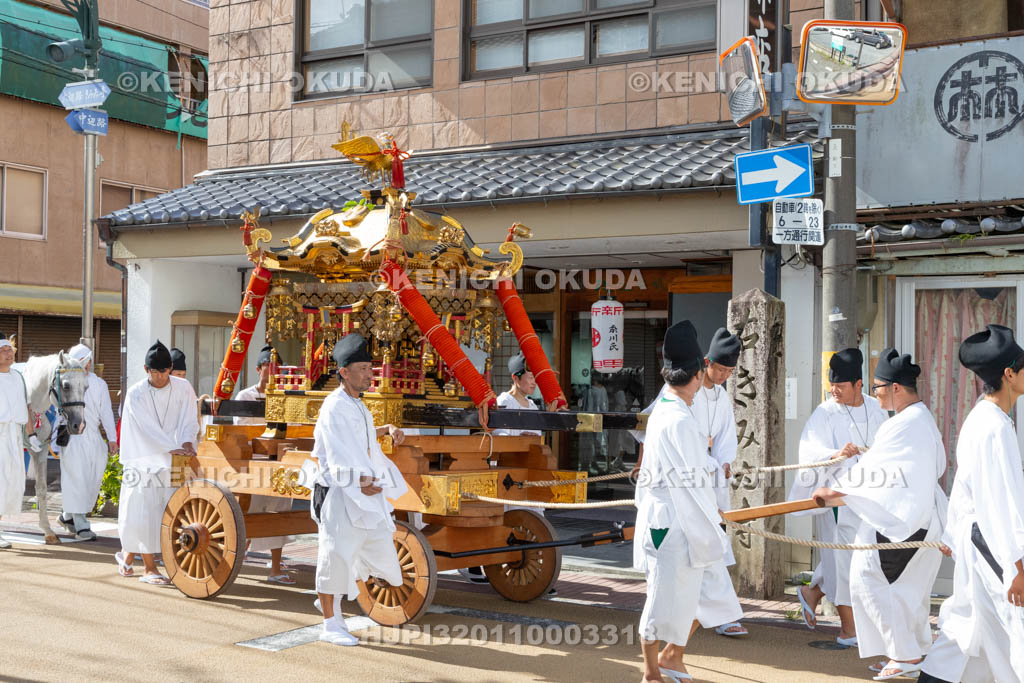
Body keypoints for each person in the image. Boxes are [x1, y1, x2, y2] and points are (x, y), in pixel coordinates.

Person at [812, 348, 948, 680]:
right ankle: (913, 651)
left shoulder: (902, 424)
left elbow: (873, 471)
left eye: (877, 387)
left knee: (867, 580)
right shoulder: (922, 418)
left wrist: (836, 492)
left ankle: (903, 654)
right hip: (922, 519)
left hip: (902, 523)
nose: (874, 394)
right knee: (908, 590)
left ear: (896, 388)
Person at [919, 325, 1024, 683]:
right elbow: (1004, 501)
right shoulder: (995, 426)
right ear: (1009, 375)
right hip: (992, 546)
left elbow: (965, 486)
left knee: (969, 630)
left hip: (979, 542)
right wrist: (1019, 565)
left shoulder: (981, 417)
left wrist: (952, 531)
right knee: (1006, 632)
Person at [636, 320, 733, 683]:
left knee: (685, 595)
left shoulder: (668, 409)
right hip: (672, 520)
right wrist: (715, 515)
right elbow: (694, 481)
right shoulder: (678, 418)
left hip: (673, 517)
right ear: (695, 375)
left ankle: (670, 659)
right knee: (661, 598)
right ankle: (651, 671)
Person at [788, 348, 889, 647]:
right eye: (832, 385)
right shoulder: (826, 411)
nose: (834, 390)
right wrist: (834, 454)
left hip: (869, 499)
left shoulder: (876, 409)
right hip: (838, 500)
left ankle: (812, 592)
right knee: (842, 560)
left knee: (860, 558)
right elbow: (808, 450)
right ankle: (848, 628)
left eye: (841, 386)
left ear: (859, 384)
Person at [313, 333, 407, 646]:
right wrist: (358, 480)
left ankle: (331, 606)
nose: (370, 374)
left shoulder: (358, 406)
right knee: (335, 555)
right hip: (340, 491)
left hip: (361, 488)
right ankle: (330, 623)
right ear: (344, 372)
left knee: (371, 547)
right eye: (364, 368)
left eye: (370, 368)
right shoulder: (334, 405)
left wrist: (386, 429)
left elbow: (362, 436)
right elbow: (339, 451)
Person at [115, 341, 199, 585]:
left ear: (170, 368)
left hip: (174, 458)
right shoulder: (136, 393)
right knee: (143, 513)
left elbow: (189, 419)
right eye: (155, 372)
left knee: (170, 509)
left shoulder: (183, 388)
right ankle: (149, 568)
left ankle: (129, 556)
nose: (161, 377)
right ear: (145, 369)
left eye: (164, 371)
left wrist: (186, 442)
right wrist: (170, 446)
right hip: (144, 459)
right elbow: (145, 428)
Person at [235, 344, 294, 585]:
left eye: (278, 368)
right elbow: (241, 432)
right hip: (254, 463)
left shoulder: (289, 396)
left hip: (280, 462)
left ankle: (275, 568)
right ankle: (240, 554)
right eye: (269, 367)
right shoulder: (245, 396)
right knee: (250, 512)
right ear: (259, 369)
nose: (273, 372)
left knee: (280, 512)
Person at [56, 344, 117, 541]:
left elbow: (106, 412)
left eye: (89, 359)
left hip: (94, 439)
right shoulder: (65, 381)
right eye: (84, 360)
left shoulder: (99, 384)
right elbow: (59, 411)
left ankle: (67, 516)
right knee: (76, 480)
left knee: (92, 479)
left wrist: (112, 439)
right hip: (73, 438)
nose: (88, 364)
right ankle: (81, 525)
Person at [0, 334, 41, 549]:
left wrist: (31, 434)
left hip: (14, 435)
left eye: (10, 349)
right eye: (4, 350)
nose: (9, 353)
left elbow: (25, 406)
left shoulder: (17, 377)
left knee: (11, 481)